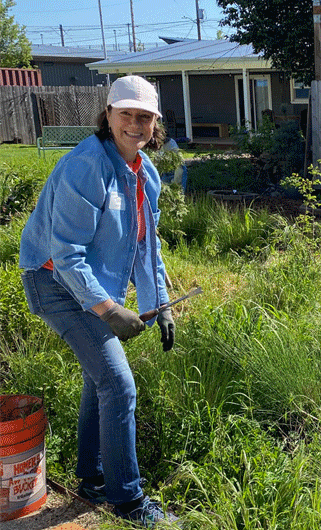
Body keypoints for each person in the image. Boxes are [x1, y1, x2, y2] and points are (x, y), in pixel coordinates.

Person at [19, 76, 179, 527]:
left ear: (155, 124)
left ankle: (90, 477)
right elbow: (66, 252)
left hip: (89, 286)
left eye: (144, 116)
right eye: (125, 113)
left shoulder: (144, 171)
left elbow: (147, 247)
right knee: (118, 384)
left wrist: (160, 302)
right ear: (107, 115)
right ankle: (127, 500)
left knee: (100, 378)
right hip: (53, 282)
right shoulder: (86, 165)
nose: (135, 123)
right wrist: (108, 310)